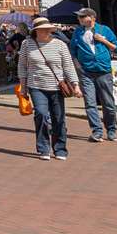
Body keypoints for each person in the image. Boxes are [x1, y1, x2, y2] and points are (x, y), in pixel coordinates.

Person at [18, 18, 80, 160]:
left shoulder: (60, 45)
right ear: (36, 31)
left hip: (57, 86)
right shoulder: (27, 44)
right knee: (41, 114)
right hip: (36, 85)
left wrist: (75, 85)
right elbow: (22, 66)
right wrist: (23, 86)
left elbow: (68, 66)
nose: (47, 31)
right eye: (44, 29)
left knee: (58, 118)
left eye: (49, 29)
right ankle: (43, 148)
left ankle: (60, 149)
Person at [70, 8, 117, 143]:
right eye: (78, 17)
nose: (79, 19)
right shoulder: (77, 32)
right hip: (86, 72)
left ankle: (111, 129)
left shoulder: (104, 30)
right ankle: (96, 131)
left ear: (92, 17)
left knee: (108, 103)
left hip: (104, 71)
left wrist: (103, 41)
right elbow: (73, 51)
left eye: (82, 16)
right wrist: (78, 67)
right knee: (90, 103)